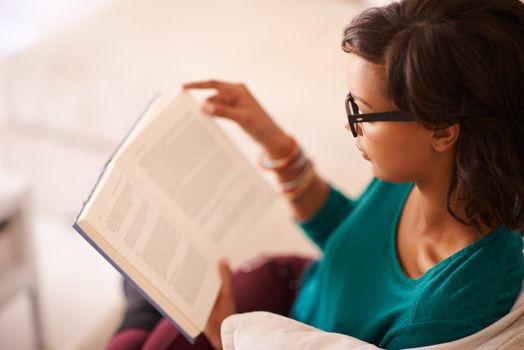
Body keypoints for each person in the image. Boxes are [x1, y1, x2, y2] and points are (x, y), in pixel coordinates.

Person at [107, 0, 524, 349]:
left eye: (361, 110)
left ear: (443, 130)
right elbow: (352, 238)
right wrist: (273, 142)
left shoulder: (440, 313)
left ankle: (137, 312)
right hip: (292, 287)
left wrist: (225, 336)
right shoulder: (422, 174)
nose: (349, 124)